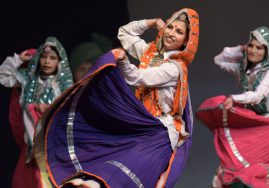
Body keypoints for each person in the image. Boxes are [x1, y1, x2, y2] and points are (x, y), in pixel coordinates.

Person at [35, 8, 199, 188]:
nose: (171, 33)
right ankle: (90, 181)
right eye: (170, 27)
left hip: (159, 132)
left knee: (133, 170)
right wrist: (151, 22)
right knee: (107, 150)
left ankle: (94, 184)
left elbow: (137, 77)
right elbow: (125, 33)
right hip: (141, 123)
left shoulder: (174, 68)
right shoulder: (150, 53)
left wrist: (122, 61)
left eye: (179, 32)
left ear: (186, 42)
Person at [196, 27, 269, 187]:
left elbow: (257, 95)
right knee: (233, 167)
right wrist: (241, 48)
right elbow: (219, 59)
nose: (253, 50)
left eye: (259, 48)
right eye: (251, 46)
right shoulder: (245, 70)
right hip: (257, 122)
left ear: (267, 51)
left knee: (257, 172)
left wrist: (234, 98)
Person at [0, 36, 73, 188]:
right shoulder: (29, 81)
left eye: (52, 58)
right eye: (44, 57)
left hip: (54, 151)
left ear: (60, 62)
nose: (47, 61)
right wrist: (18, 59)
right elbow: (3, 77)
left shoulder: (64, 86)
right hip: (31, 152)